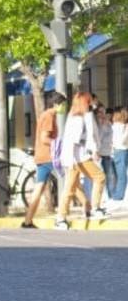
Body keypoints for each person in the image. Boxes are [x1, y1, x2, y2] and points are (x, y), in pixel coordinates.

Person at [55, 91, 109, 230]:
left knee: (71, 188)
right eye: (89, 101)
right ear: (85, 102)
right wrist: (93, 151)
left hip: (74, 158)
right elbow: (77, 140)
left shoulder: (76, 115)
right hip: (77, 158)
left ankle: (63, 218)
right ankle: (95, 208)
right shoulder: (78, 118)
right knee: (100, 177)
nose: (91, 103)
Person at [21, 92, 65, 228]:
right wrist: (58, 143)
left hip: (43, 156)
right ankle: (86, 209)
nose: (64, 107)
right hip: (49, 156)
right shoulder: (49, 116)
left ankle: (27, 220)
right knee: (71, 180)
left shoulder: (47, 115)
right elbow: (44, 138)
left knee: (38, 189)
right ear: (56, 104)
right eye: (63, 104)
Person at [107, 107, 128, 211]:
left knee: (115, 175)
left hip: (114, 152)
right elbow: (123, 141)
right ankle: (118, 195)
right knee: (121, 175)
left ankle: (115, 194)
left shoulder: (113, 126)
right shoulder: (122, 127)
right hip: (121, 151)